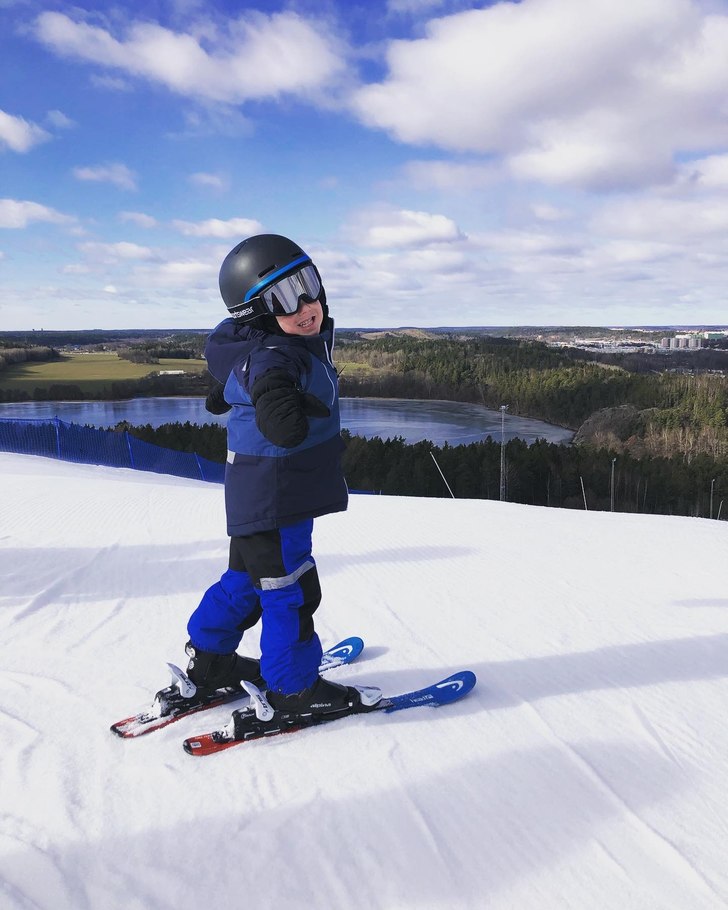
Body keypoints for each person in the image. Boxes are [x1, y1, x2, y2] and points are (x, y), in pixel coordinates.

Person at [182, 233, 379, 729]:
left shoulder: (267, 343)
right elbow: (269, 381)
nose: (306, 304)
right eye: (286, 297)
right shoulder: (275, 354)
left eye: (308, 284)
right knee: (289, 589)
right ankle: (293, 689)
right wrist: (278, 409)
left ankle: (210, 663)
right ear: (256, 312)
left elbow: (243, 371)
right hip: (277, 496)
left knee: (245, 582)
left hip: (259, 493)